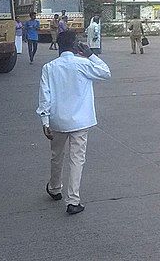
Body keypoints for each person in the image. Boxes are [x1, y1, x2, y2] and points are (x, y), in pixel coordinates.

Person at [37, 31, 111, 215]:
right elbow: (106, 73)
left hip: (57, 120)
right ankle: (73, 200)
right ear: (76, 46)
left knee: (57, 155)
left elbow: (45, 95)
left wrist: (45, 120)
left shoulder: (49, 67)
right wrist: (91, 54)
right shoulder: (84, 63)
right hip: (80, 120)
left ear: (59, 46)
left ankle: (54, 188)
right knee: (77, 159)